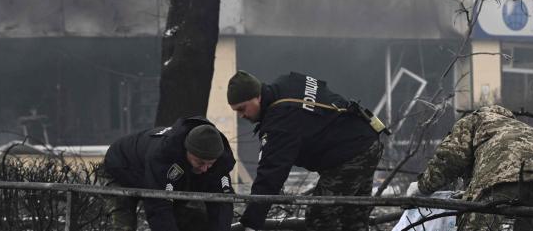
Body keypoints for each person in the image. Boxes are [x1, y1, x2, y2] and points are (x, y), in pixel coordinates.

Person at [228, 70, 385, 231]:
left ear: (257, 97)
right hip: (367, 139)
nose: (241, 116)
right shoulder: (287, 84)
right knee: (353, 218)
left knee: (320, 217)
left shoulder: (280, 120)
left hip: (350, 154)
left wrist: (252, 223)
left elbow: (270, 173)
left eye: (242, 109)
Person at [406, 105, 533, 231]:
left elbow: (450, 158)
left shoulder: (476, 119)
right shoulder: (524, 128)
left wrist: (421, 187)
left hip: (503, 180)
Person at [101, 117, 236, 231]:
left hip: (160, 177)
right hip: (121, 168)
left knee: (195, 220)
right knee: (122, 225)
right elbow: (158, 205)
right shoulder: (163, 156)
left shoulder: (219, 163)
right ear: (186, 151)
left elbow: (222, 202)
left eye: (210, 164)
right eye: (200, 162)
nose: (205, 169)